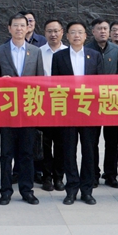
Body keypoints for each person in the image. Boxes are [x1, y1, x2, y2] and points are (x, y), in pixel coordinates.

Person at [0, 13, 45, 206]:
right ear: (9, 28)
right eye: (15, 25)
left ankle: (27, 190)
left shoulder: (35, 51)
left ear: (28, 27)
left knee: (27, 153)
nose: (19, 28)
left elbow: (41, 81)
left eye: (23, 25)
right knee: (6, 154)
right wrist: (0, 81)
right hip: (7, 111)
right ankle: (6, 191)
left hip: (28, 110)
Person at [53, 21, 104, 205]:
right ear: (67, 36)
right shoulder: (59, 57)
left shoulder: (94, 55)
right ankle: (71, 189)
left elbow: (100, 84)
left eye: (80, 32)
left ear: (85, 36)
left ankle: (87, 190)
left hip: (89, 111)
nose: (76, 35)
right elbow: (55, 84)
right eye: (73, 32)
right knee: (69, 152)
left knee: (89, 151)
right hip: (68, 111)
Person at [86, 18, 118, 189]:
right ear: (93, 32)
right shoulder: (86, 50)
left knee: (112, 140)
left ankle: (111, 174)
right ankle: (93, 174)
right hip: (91, 102)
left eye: (105, 29)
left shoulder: (117, 51)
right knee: (91, 141)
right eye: (99, 29)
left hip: (111, 100)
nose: (102, 32)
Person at [38, 19, 66, 192]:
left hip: (63, 103)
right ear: (45, 33)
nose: (53, 34)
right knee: (45, 143)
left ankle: (59, 177)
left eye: (56, 31)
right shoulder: (38, 52)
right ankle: (46, 176)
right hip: (44, 103)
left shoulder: (68, 52)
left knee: (62, 142)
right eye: (49, 31)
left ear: (62, 32)